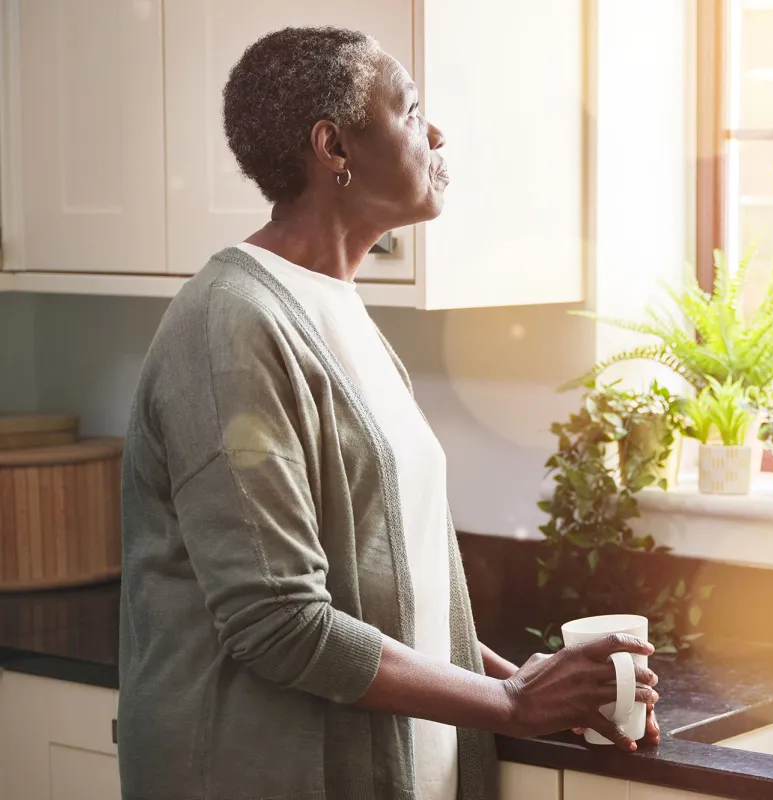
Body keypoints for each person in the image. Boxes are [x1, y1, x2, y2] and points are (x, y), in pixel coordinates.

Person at [117, 26, 660, 800]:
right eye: (409, 110)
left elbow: (390, 586)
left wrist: (535, 685)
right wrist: (512, 704)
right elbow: (279, 622)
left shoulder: (342, 316)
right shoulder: (231, 326)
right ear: (334, 146)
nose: (435, 132)